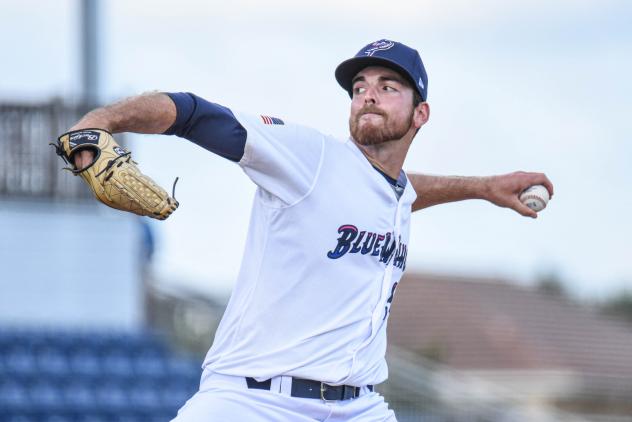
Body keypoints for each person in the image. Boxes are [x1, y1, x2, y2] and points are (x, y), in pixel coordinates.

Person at [68, 39, 553, 421]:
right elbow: (195, 113)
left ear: (419, 113)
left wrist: (485, 186)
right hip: (254, 402)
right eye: (360, 86)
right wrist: (98, 124)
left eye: (388, 86)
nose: (368, 94)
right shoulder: (309, 157)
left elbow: (403, 190)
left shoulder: (394, 193)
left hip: (357, 406)